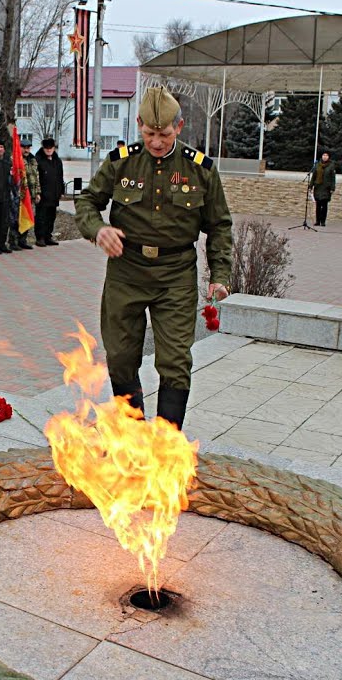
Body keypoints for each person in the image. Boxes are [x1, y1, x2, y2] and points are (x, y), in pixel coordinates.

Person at [74, 86, 233, 430]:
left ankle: (166, 443)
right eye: (149, 134)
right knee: (120, 356)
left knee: (175, 360)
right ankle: (131, 434)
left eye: (164, 134)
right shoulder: (122, 161)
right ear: (139, 125)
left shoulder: (200, 169)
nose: (156, 142)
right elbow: (87, 201)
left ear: (179, 126)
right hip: (126, 271)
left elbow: (219, 225)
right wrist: (98, 230)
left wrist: (220, 274)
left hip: (175, 275)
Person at [33, 138, 65, 246]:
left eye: (50, 148)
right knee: (41, 217)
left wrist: (61, 191)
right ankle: (40, 238)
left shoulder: (57, 161)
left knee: (51, 217)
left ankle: (48, 236)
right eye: (46, 148)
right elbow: (35, 178)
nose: (48, 150)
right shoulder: (38, 160)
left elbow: (60, 177)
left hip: (54, 194)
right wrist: (37, 193)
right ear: (43, 148)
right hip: (42, 195)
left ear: (54, 148)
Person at [12, 136, 40, 248]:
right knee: (16, 219)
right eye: (24, 147)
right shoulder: (15, 159)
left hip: (30, 195)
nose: (26, 150)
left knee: (27, 217)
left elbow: (36, 178)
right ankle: (13, 242)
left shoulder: (33, 160)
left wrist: (37, 193)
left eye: (28, 147)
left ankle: (22, 241)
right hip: (19, 195)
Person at [309, 150, 336, 227]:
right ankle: (317, 221)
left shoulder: (331, 166)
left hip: (326, 188)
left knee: (324, 205)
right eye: (324, 155)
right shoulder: (317, 165)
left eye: (326, 155)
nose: (325, 157)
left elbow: (333, 178)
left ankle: (323, 221)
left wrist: (332, 188)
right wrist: (311, 186)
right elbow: (314, 176)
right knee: (318, 205)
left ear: (328, 157)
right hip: (318, 187)